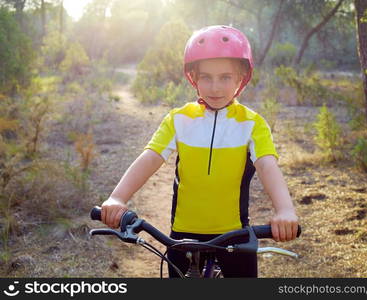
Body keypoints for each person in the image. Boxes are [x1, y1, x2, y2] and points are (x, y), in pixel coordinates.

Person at [100, 25, 299, 278]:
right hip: (183, 235)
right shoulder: (178, 119)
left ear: (241, 79)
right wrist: (118, 198)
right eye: (206, 77)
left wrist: (285, 210)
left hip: (235, 234)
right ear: (194, 78)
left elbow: (268, 166)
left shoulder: (253, 124)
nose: (215, 87)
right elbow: (150, 157)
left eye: (225, 77)